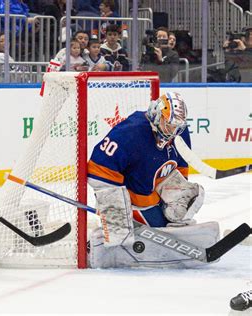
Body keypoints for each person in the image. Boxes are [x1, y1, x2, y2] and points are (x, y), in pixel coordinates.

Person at [87, 92, 218, 268]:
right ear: (157, 114)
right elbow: (98, 168)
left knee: (192, 194)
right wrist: (115, 213)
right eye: (168, 125)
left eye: (177, 127)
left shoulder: (179, 132)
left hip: (153, 191)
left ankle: (170, 224)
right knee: (120, 232)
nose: (172, 132)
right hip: (133, 197)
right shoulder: (131, 131)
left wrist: (173, 200)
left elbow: (180, 166)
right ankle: (109, 238)